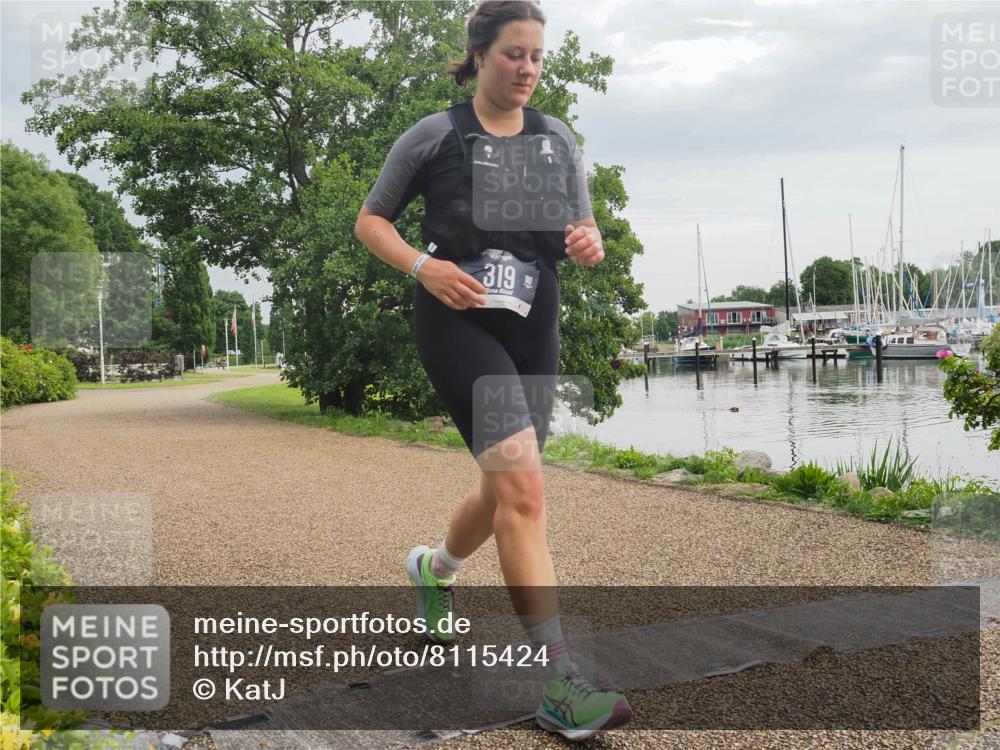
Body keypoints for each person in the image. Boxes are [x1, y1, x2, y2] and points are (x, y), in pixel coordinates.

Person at [354, 0, 632, 740]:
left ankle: (434, 568)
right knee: (526, 490)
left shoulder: (556, 140)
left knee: (505, 484)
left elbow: (582, 226)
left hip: (533, 324)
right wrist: (424, 268)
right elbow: (370, 220)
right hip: (456, 320)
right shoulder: (436, 137)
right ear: (479, 55)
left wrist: (588, 243)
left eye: (537, 56)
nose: (528, 69)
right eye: (514, 54)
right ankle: (560, 684)